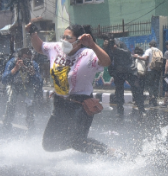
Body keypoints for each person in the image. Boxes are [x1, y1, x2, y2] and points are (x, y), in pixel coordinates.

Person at [30, 23, 112, 155]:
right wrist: (32, 33)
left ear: (79, 41)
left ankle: (110, 152)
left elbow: (106, 61)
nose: (64, 41)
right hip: (60, 103)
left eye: (68, 38)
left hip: (80, 105)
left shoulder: (88, 53)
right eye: (63, 37)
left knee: (78, 142)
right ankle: (80, 145)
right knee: (49, 144)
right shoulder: (56, 48)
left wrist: (92, 45)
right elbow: (39, 47)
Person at [1, 48, 43, 132]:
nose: (26, 61)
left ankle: (31, 124)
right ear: (19, 58)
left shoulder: (33, 64)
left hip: (27, 86)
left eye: (29, 58)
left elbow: (40, 82)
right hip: (14, 85)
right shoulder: (12, 63)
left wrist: (33, 73)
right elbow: (4, 79)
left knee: (30, 103)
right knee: (11, 101)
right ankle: (7, 123)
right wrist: (15, 69)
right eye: (25, 58)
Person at [106, 39, 139, 117]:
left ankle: (141, 108)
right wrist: (112, 72)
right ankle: (120, 110)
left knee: (135, 89)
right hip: (118, 73)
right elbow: (109, 59)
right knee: (119, 92)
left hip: (128, 71)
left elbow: (127, 53)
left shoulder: (121, 44)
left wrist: (116, 49)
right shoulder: (109, 48)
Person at [135, 40, 165, 107]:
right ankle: (155, 101)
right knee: (156, 85)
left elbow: (145, 58)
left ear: (150, 45)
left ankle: (151, 98)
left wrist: (137, 56)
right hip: (158, 70)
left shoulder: (149, 50)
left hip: (150, 70)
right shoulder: (160, 51)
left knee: (149, 85)